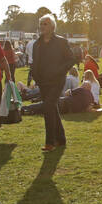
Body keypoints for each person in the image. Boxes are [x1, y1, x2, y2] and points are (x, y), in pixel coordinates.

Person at [29, 14, 76, 151]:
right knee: (52, 108)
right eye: (41, 23)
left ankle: (50, 142)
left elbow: (71, 59)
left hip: (57, 80)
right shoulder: (37, 44)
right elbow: (34, 62)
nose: (42, 26)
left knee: (48, 106)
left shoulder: (61, 41)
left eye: (45, 23)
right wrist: (36, 77)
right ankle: (61, 139)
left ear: (52, 26)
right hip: (43, 82)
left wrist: (59, 70)